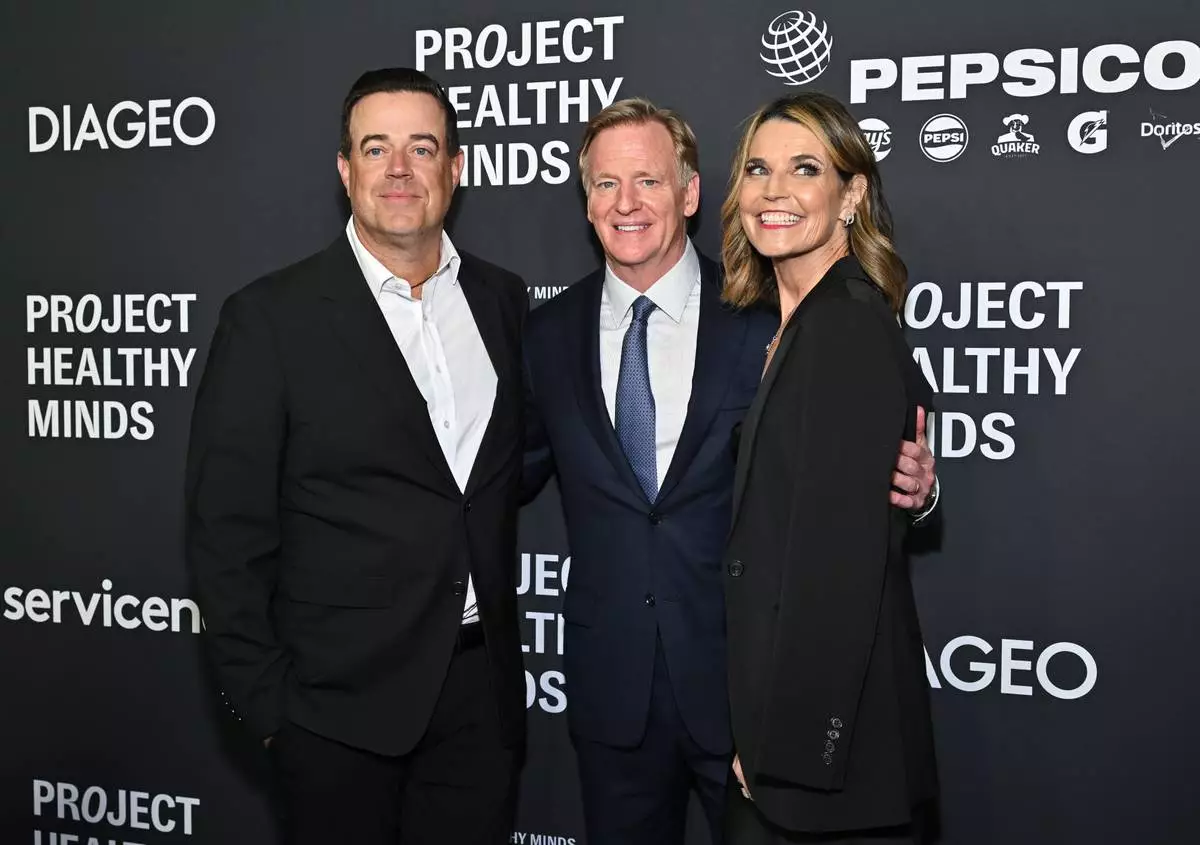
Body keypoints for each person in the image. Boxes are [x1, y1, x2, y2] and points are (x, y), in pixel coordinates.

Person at [522, 98, 938, 845]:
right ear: (586, 201)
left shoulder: (772, 313)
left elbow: (842, 476)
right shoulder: (546, 334)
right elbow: (498, 476)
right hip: (611, 689)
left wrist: (918, 490)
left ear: (689, 193)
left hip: (748, 691)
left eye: (648, 181)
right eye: (606, 183)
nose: (626, 203)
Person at [184, 67, 527, 845]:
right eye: (376, 148)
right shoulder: (270, 319)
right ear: (345, 171)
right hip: (333, 714)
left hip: (480, 700)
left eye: (422, 148)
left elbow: (509, 469)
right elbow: (224, 534)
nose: (399, 168)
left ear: (456, 168)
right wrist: (271, 712)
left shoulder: (501, 300)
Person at [721, 92, 939, 845]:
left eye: (805, 169)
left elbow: (838, 565)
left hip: (825, 765)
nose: (773, 190)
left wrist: (783, 747)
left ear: (851, 195)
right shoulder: (796, 322)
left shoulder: (842, 324)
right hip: (797, 740)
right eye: (758, 169)